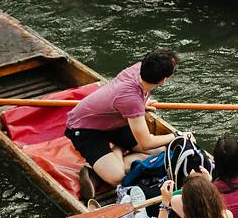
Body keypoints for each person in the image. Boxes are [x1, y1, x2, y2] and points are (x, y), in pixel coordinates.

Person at [64, 49, 180, 198]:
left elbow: (128, 99)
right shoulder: (131, 100)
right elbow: (146, 143)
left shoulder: (140, 69)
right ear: (164, 79)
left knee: (160, 152)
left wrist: (141, 104)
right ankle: (104, 164)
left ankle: (106, 164)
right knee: (117, 177)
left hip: (114, 121)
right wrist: (175, 135)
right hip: (84, 128)